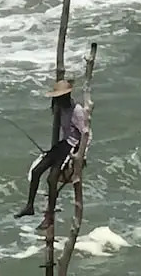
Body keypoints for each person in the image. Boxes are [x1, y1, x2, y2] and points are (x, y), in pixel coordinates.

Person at [13, 79, 90, 228]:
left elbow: (87, 134)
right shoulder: (60, 108)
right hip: (63, 144)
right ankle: (29, 206)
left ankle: (50, 217)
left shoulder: (77, 111)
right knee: (36, 171)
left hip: (72, 147)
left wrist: (82, 154)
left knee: (51, 179)